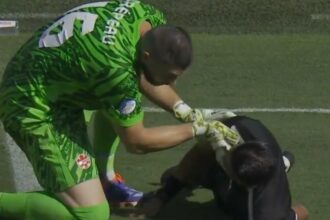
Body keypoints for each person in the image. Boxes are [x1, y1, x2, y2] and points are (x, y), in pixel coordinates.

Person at [0, 1, 239, 219]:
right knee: (90, 214)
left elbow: (143, 75)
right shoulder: (116, 70)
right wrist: (198, 129)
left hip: (52, 78)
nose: (172, 84)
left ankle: (106, 181)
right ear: (147, 56)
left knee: (122, 100)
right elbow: (137, 142)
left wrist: (186, 111)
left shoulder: (148, 17)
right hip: (31, 105)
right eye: (170, 76)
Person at [140, 116, 309, 220]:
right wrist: (164, 195)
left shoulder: (267, 212)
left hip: (261, 198)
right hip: (262, 161)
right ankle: (283, 162)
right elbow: (200, 152)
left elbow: (303, 212)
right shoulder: (237, 129)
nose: (224, 155)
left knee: (229, 208)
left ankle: (283, 164)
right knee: (182, 173)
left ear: (237, 180)